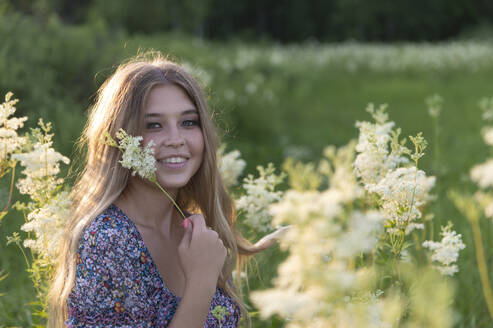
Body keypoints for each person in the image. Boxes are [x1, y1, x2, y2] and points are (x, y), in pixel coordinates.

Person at [48, 52, 274, 327]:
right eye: (153, 125)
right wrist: (201, 280)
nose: (176, 140)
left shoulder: (196, 231)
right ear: (121, 139)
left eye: (188, 122)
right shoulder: (107, 240)